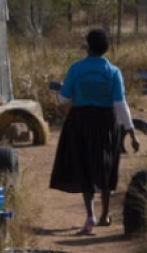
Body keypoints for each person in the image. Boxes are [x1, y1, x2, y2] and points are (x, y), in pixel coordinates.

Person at [49, 28, 140, 236]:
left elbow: (63, 99)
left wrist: (66, 90)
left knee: (85, 166)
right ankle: (105, 214)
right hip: (106, 123)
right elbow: (120, 103)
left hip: (80, 121)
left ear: (88, 46)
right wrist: (131, 132)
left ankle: (89, 215)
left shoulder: (76, 69)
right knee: (105, 166)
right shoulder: (113, 71)